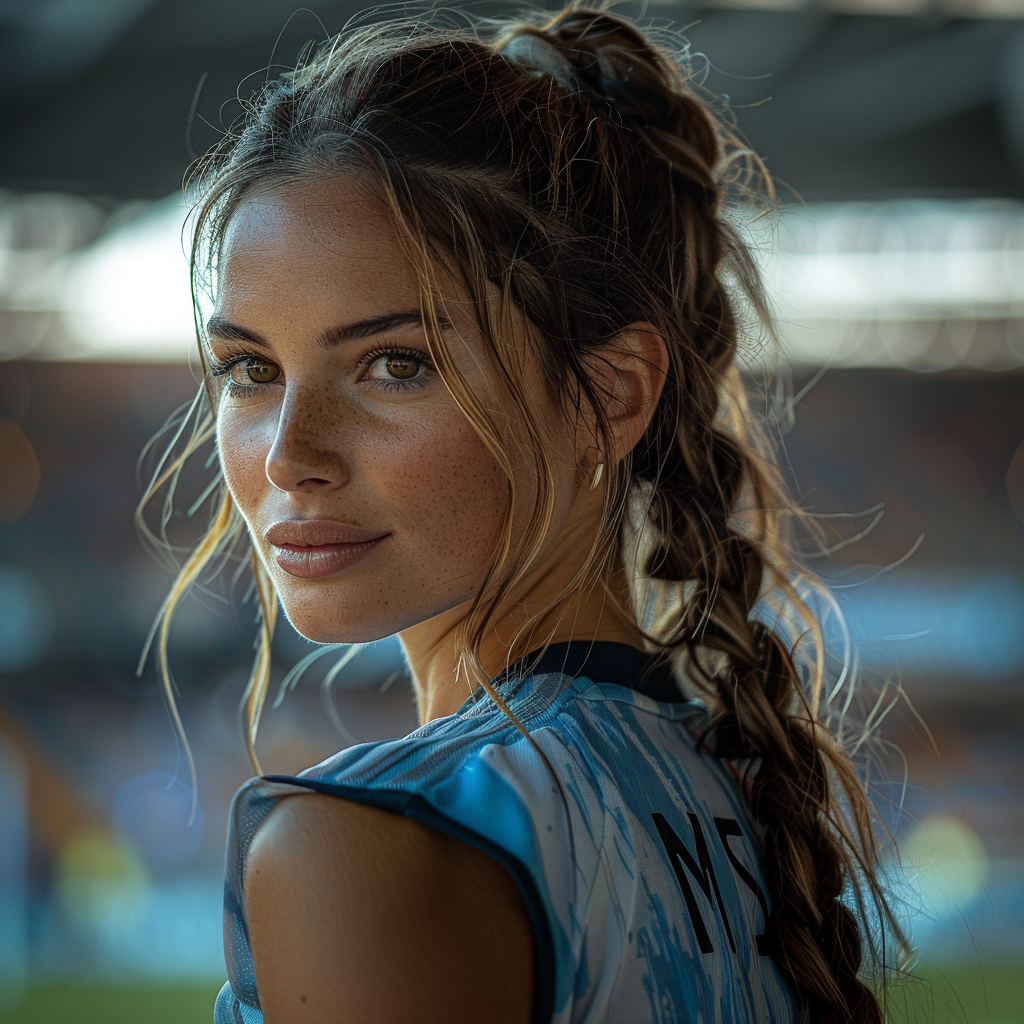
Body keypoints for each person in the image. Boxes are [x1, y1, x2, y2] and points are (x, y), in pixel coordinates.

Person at [144, 6, 906, 1022]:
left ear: (611, 395)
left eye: (395, 365)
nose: (289, 454)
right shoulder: (733, 791)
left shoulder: (368, 846)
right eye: (250, 369)